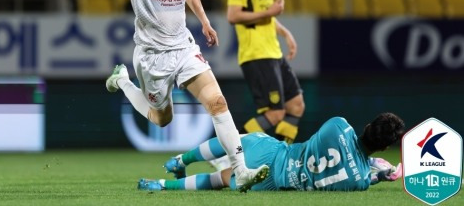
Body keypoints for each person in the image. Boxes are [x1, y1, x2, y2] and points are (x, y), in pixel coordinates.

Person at [101, 0, 269, 192]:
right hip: (152, 58)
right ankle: (124, 82)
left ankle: (240, 170)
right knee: (161, 119)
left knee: (218, 103)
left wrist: (204, 21)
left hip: (183, 49)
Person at [138, 112, 406, 192]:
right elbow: (353, 171)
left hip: (275, 154)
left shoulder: (339, 125)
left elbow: (344, 146)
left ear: (368, 124)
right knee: (223, 179)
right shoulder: (359, 180)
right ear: (384, 147)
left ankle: (180, 160)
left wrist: (369, 160)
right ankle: (162, 186)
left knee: (234, 140)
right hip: (271, 183)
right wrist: (378, 174)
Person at [227, 0, 305, 143]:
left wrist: (285, 32)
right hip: (257, 53)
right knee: (274, 114)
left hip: (273, 51)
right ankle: (227, 151)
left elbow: (265, 12)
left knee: (296, 105)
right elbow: (233, 15)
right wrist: (269, 13)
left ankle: (282, 159)